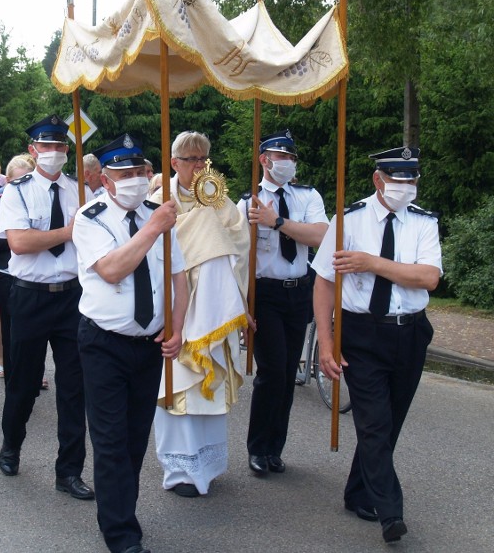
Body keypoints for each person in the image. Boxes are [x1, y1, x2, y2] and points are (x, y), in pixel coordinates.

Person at [312, 147, 441, 544]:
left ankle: (358, 491)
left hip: (410, 332)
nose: (406, 189)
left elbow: (428, 277)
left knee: (390, 423)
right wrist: (325, 342)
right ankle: (390, 513)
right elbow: (324, 282)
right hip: (363, 333)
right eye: (398, 181)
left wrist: (372, 263)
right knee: (373, 423)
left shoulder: (423, 223)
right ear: (378, 180)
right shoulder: (348, 219)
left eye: (412, 181)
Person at [73, 133, 187, 553]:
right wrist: (153, 229)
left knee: (135, 437)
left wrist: (177, 326)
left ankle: (121, 509)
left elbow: (180, 275)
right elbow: (112, 270)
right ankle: (120, 533)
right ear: (105, 181)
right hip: (104, 342)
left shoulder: (162, 214)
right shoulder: (90, 218)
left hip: (148, 344)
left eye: (140, 172)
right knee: (110, 440)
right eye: (124, 174)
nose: (135, 180)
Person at [0, 115, 93, 501]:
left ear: (68, 151)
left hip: (72, 296)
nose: (54, 153)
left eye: (60, 146)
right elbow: (19, 243)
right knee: (24, 382)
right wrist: (68, 232)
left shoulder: (80, 192)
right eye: (46, 146)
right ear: (33, 150)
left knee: (74, 388)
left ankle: (69, 471)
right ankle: (11, 444)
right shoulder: (16, 191)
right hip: (30, 295)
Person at [149, 131, 249, 497]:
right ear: (174, 163)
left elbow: (239, 245)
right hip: (176, 307)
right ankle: (178, 470)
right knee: (178, 391)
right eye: (190, 159)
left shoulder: (219, 199)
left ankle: (207, 466)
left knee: (206, 393)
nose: (198, 166)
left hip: (211, 307)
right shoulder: (158, 198)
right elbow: (151, 243)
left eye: (203, 159)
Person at [238, 130, 329, 476]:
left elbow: (320, 236)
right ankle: (258, 447)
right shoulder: (248, 202)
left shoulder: (308, 196)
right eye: (281, 157)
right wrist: (242, 307)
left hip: (299, 290)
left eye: (292, 157)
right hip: (265, 294)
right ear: (265, 160)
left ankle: (275, 448)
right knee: (272, 370)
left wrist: (277, 222)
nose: (288, 163)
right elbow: (238, 257)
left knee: (288, 371)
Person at [0, 154, 34, 377]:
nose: (21, 186)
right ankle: (5, 362)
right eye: (16, 181)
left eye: (27, 180)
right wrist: (19, 240)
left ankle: (34, 369)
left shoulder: (39, 203)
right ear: (8, 181)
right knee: (7, 320)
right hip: (6, 271)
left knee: (33, 325)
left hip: (33, 272)